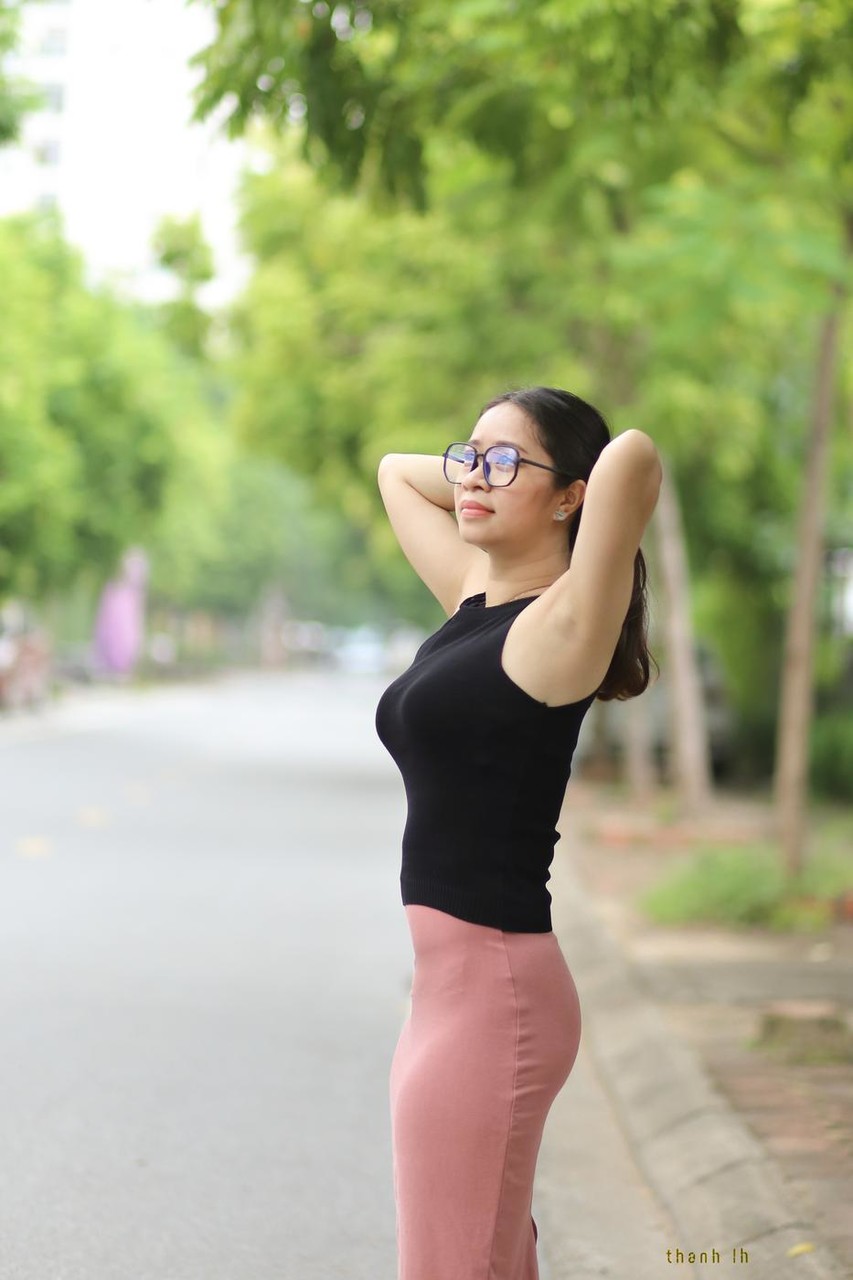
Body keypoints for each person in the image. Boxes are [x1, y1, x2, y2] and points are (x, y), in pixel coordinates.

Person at [374, 385, 662, 1280]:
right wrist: (498, 467)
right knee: (482, 1257)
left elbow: (633, 455)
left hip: (493, 996)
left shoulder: (566, 623)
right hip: (450, 997)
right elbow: (394, 473)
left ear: (573, 495)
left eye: (502, 463)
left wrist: (556, 478)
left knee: (455, 1263)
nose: (470, 477)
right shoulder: (475, 599)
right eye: (467, 456)